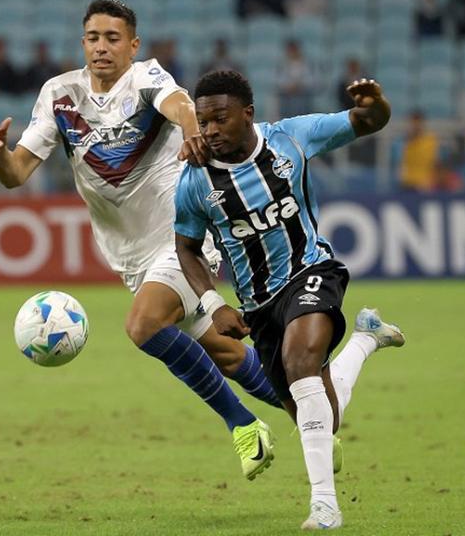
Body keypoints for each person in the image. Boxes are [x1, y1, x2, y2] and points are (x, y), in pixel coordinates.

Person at [0, 0, 282, 480]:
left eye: (113, 38)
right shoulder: (60, 95)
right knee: (226, 355)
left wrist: (191, 131)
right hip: (132, 259)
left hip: (182, 240)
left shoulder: (146, 79)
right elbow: (16, 173)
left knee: (143, 326)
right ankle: (317, 410)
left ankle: (243, 425)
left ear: (132, 45)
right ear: (83, 43)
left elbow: (178, 105)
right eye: (94, 37)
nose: (102, 47)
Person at [174, 70, 406, 530]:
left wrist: (376, 102)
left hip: (311, 272)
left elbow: (369, 121)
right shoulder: (195, 181)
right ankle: (365, 339)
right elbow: (186, 247)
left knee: (300, 359)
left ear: (248, 115)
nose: (212, 130)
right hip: (258, 308)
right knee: (322, 418)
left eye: (221, 118)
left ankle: (325, 506)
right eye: (203, 122)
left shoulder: (292, 139)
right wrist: (212, 303)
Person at [395, 110, 441, 191]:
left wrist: (432, 181)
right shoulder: (402, 141)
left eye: (417, 123)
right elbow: (398, 163)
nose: (415, 126)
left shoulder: (431, 140)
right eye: (412, 123)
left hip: (425, 184)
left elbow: (435, 163)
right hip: (406, 183)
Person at [276, 39, 315, 118]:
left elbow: (311, 81)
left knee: (301, 101)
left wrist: (299, 86)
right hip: (287, 95)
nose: (292, 53)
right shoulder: (282, 65)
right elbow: (279, 81)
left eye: (294, 50)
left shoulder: (307, 65)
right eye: (290, 50)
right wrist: (288, 87)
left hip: (303, 94)